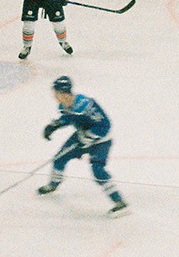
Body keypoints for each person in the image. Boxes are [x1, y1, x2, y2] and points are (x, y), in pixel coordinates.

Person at [39, 75, 127, 214]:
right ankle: (53, 185)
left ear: (64, 93)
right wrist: (55, 125)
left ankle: (119, 202)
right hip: (81, 135)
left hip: (101, 141)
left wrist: (88, 137)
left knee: (97, 169)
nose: (54, 96)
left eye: (56, 93)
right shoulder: (64, 105)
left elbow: (104, 126)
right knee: (59, 158)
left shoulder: (86, 105)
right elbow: (69, 117)